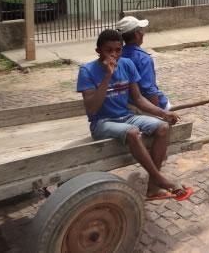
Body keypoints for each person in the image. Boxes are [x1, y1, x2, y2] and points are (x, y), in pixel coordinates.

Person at [77, 29, 192, 201]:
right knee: (132, 132)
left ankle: (153, 187)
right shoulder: (87, 71)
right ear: (98, 51)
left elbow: (138, 98)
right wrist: (107, 76)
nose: (114, 55)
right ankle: (160, 179)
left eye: (118, 50)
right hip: (102, 122)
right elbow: (92, 108)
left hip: (126, 116)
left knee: (162, 127)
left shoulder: (127, 64)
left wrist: (163, 113)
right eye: (109, 50)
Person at [117, 16, 170, 110]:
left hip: (126, 102)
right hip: (144, 105)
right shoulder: (143, 59)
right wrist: (159, 113)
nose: (143, 33)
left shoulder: (119, 54)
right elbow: (149, 90)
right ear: (137, 34)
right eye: (141, 30)